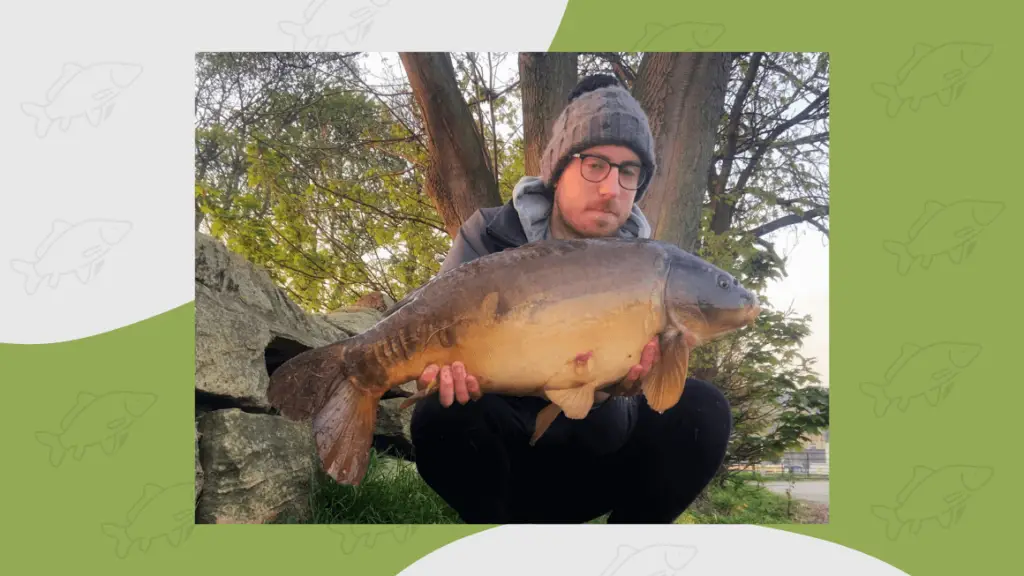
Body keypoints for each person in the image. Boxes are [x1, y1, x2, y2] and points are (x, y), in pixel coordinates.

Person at [408, 74, 733, 524]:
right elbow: (428, 336)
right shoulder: (490, 235)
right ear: (558, 171)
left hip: (598, 453)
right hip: (504, 459)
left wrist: (621, 387)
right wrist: (441, 376)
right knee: (440, 414)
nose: (612, 189)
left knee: (703, 410)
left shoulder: (654, 267)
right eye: (595, 164)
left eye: (628, 172)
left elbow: (651, 392)